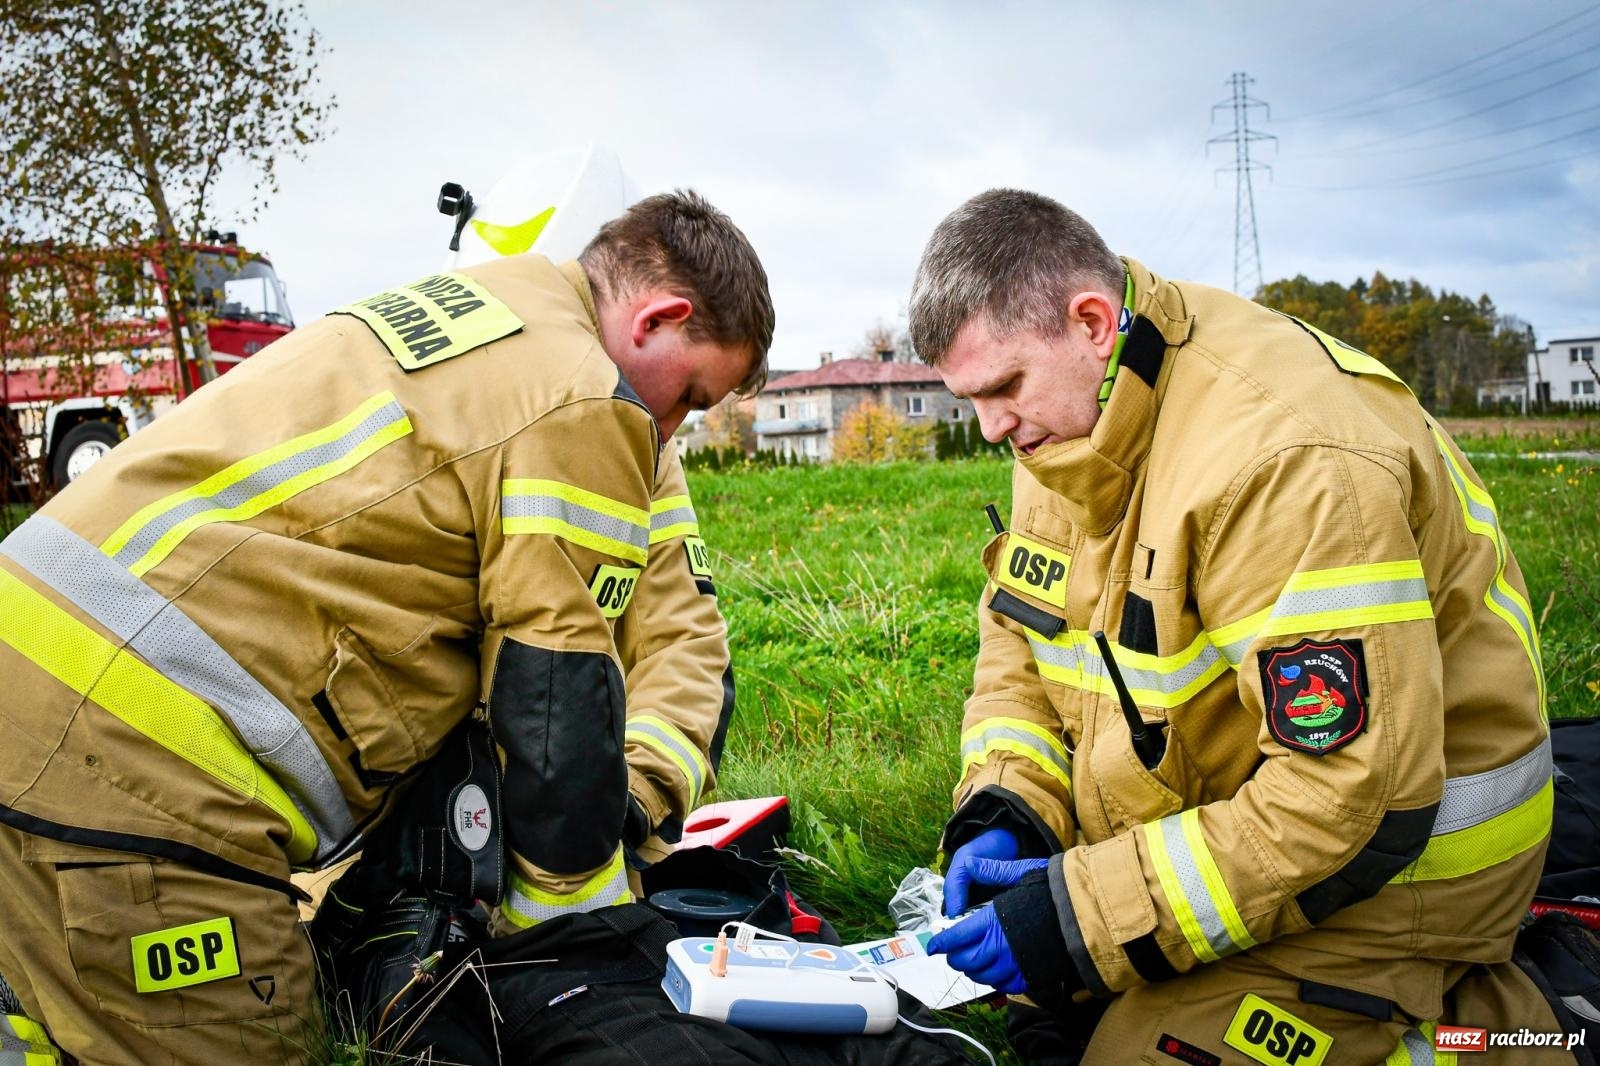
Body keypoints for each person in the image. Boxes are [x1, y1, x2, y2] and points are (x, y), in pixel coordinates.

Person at [0, 188, 773, 1065]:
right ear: (659, 317)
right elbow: (551, 688)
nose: (671, 429)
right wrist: (567, 941)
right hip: (133, 761)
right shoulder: (585, 396)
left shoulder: (469, 312)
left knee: (52, 1025)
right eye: (691, 397)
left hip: (28, 672)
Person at [915, 189, 1568, 1064]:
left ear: (1092, 322)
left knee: (1139, 1053)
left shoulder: (1287, 461)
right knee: (1050, 1008)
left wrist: (1084, 911)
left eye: (1003, 388)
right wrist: (1011, 806)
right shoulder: (1062, 425)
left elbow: (1351, 802)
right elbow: (1024, 644)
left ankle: (1512, 1030)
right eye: (969, 399)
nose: (992, 427)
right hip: (1239, 828)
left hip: (1402, 874)